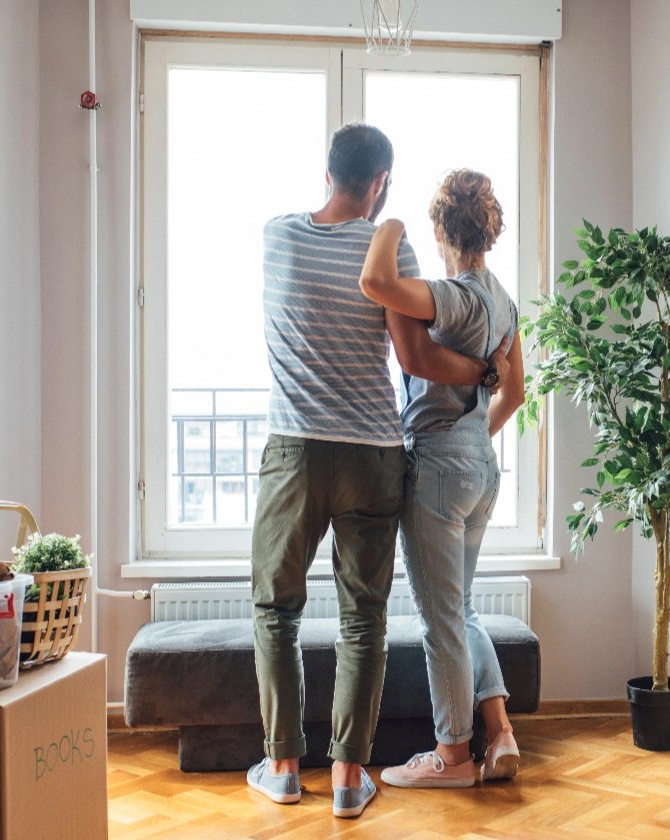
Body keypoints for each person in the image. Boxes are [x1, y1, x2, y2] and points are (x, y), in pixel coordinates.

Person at [246, 125, 507, 819]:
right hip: (373, 453)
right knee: (364, 616)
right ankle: (347, 780)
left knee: (277, 609)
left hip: (296, 451)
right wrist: (485, 374)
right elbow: (416, 360)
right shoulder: (392, 250)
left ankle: (280, 766)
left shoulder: (276, 236)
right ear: (381, 181)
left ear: (326, 172)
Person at [358, 169, 527, 788]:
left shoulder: (455, 295)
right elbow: (517, 389)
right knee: (461, 606)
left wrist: (391, 222)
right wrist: (474, 440)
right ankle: (500, 733)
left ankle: (452, 757)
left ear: (439, 229)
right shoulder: (505, 299)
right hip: (482, 467)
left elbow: (376, 281)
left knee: (440, 620)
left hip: (437, 464)